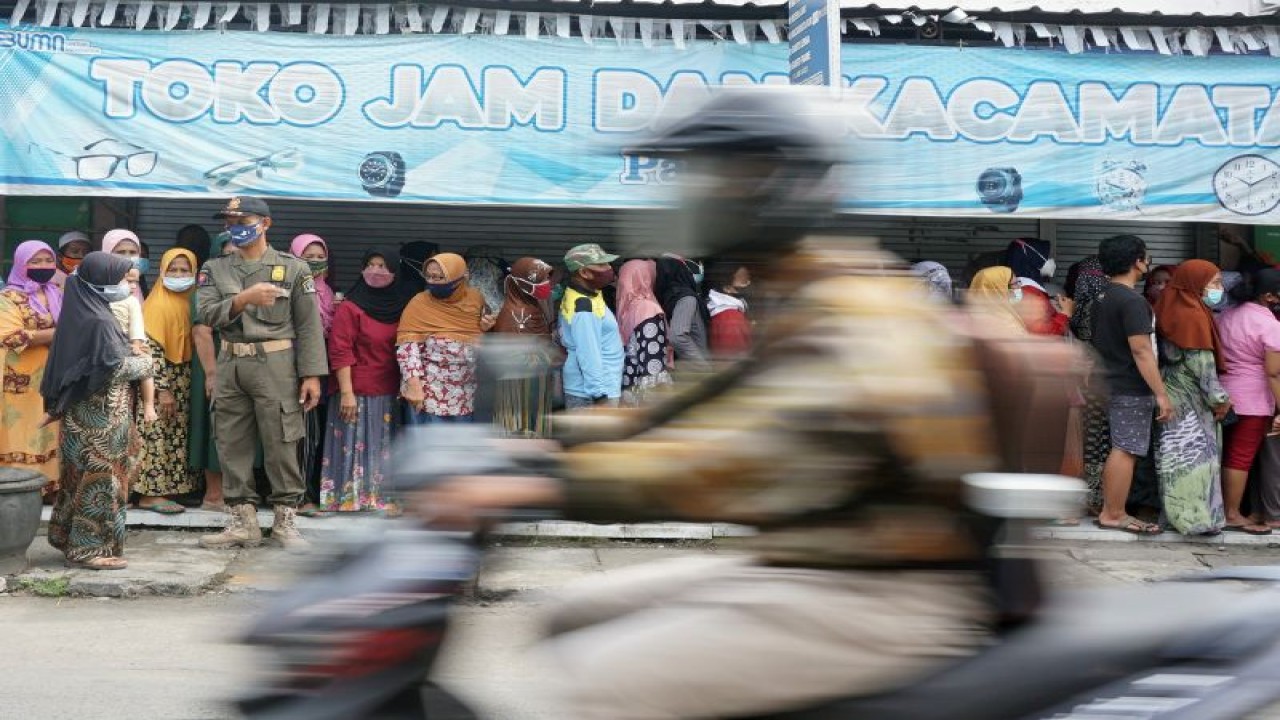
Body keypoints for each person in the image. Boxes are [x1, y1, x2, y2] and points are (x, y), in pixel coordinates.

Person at [413, 88, 1052, 718]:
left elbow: (743, 453)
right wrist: (545, 444)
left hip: (888, 589)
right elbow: (691, 406)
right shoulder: (796, 291)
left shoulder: (859, 311)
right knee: (570, 614)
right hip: (811, 565)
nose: (692, 193)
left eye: (714, 175)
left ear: (773, 185)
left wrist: (543, 487)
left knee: (610, 677)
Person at [196, 196, 328, 552]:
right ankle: (243, 522)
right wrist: (243, 299)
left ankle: (286, 522)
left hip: (276, 364)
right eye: (229, 221)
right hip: (231, 363)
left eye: (243, 220)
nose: (235, 227)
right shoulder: (215, 268)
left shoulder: (294, 268)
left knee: (282, 439)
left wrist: (312, 375)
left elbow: (309, 325)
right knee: (231, 440)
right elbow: (206, 315)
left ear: (265, 223)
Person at [40, 252, 153, 570]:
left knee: (78, 478)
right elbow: (112, 367)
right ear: (101, 282)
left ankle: (68, 538)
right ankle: (87, 550)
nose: (125, 285)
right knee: (100, 482)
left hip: (83, 418)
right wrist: (146, 361)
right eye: (119, 279)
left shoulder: (82, 313)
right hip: (101, 421)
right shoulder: (99, 321)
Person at [1092, 234, 1171, 535]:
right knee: (1126, 449)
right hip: (1129, 385)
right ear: (1138, 262)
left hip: (1111, 381)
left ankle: (1111, 510)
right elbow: (1141, 350)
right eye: (1145, 257)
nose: (1147, 262)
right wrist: (1161, 394)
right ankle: (1114, 513)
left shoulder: (1103, 296)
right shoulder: (1132, 301)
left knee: (1122, 446)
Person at [320, 251, 407, 512]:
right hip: (354, 390)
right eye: (370, 265)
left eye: (382, 266)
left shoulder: (401, 307)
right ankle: (348, 499)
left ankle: (379, 500)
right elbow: (340, 349)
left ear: (393, 272)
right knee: (352, 443)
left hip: (387, 391)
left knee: (383, 445)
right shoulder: (350, 307)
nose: (376, 270)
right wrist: (346, 392)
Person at [1151, 260, 1230, 536]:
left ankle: (1172, 516)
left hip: (1170, 396)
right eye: (1215, 283)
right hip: (1193, 402)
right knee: (1198, 461)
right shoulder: (1194, 315)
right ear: (1196, 284)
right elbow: (1203, 368)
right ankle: (1197, 519)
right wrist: (1220, 400)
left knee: (1173, 460)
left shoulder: (1165, 306)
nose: (1219, 289)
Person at [134, 248, 201, 515]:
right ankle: (150, 495)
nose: (179, 275)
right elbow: (150, 353)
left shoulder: (193, 301)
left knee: (178, 435)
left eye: (185, 270)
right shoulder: (155, 305)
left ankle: (173, 489)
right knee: (156, 434)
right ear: (161, 272)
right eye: (173, 270)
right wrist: (162, 390)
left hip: (185, 380)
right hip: (161, 382)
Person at [1216, 268, 1280, 535]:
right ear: (1268, 296)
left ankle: (1226, 509)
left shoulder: (1226, 315)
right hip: (1253, 398)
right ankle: (1232, 513)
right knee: (1240, 458)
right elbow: (1274, 372)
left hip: (1223, 393)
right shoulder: (1270, 325)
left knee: (1225, 453)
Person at [397, 253, 494, 424]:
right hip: (428, 395)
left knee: (460, 448)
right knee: (430, 447)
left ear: (458, 278)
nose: (432, 282)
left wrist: (485, 330)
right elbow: (407, 348)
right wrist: (414, 386)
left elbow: (478, 338)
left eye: (440, 277)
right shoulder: (419, 303)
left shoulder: (475, 300)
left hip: (465, 394)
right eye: (429, 276)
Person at [0, 241, 63, 496]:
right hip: (18, 378)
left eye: (48, 261)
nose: (43, 267)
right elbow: (10, 336)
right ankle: (18, 486)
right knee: (22, 429)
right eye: (35, 262)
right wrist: (58, 334)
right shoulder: (9, 298)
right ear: (20, 264)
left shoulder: (56, 293)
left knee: (48, 427)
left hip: (52, 376)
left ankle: (48, 487)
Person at [289, 234, 335, 516]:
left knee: (311, 435)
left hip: (319, 371)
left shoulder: (328, 292)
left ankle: (305, 495)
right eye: (308, 256)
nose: (314, 262)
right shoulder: (286, 289)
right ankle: (298, 498)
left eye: (320, 256)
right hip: (290, 370)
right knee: (295, 436)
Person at [189, 232, 234, 511]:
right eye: (228, 254)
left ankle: (235, 493)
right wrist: (212, 374)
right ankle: (214, 495)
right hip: (214, 363)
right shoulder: (207, 287)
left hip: (240, 365)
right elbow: (201, 331)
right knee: (214, 427)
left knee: (237, 430)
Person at [492, 257, 559, 436]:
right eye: (540, 281)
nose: (546, 284)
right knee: (520, 430)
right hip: (520, 386)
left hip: (531, 383)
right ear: (521, 284)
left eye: (546, 280)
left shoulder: (530, 305)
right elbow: (513, 355)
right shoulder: (517, 312)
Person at [1067, 256, 1113, 512]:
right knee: (1099, 440)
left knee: (1087, 440)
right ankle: (1096, 497)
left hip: (1084, 383)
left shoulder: (1080, 307)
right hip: (1101, 381)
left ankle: (1087, 496)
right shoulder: (1103, 306)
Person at [559, 243, 623, 409]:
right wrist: (599, 395)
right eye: (602, 264)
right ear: (584, 272)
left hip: (597, 386)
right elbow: (588, 352)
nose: (609, 268)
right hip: (592, 393)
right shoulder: (584, 307)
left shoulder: (589, 294)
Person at [615, 259, 673, 406]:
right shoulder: (647, 309)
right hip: (645, 396)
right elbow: (653, 363)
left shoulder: (627, 309)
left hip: (629, 387)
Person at [655, 255, 711, 373]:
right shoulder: (686, 298)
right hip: (697, 371)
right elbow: (677, 336)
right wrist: (703, 366)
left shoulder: (671, 297)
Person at [1006, 238, 1071, 336]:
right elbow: (1046, 333)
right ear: (1032, 259)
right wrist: (1066, 312)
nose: (1050, 260)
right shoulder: (1030, 295)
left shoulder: (1020, 287)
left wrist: (1049, 304)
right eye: (1047, 256)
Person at [705, 262, 753, 358]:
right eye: (742, 278)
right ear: (727, 288)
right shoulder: (730, 317)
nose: (748, 283)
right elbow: (734, 355)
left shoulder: (723, 311)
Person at [967, 266, 1026, 334]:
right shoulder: (1008, 324)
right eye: (1015, 284)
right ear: (998, 288)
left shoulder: (965, 318)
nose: (1019, 286)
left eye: (1018, 282)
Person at [102, 229, 147, 303]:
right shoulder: (97, 285)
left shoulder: (136, 284)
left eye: (133, 252)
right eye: (121, 252)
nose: (127, 257)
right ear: (107, 253)